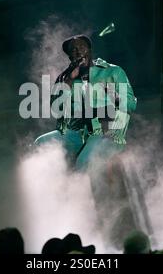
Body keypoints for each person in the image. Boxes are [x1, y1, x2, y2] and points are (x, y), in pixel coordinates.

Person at [34, 34, 138, 248]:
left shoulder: (112, 71)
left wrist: (115, 114)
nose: (76, 51)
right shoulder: (66, 77)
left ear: (89, 49)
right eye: (71, 50)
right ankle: (55, 204)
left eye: (79, 47)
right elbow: (56, 109)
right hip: (76, 132)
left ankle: (87, 218)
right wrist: (69, 82)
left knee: (83, 163)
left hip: (105, 132)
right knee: (41, 145)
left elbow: (130, 103)